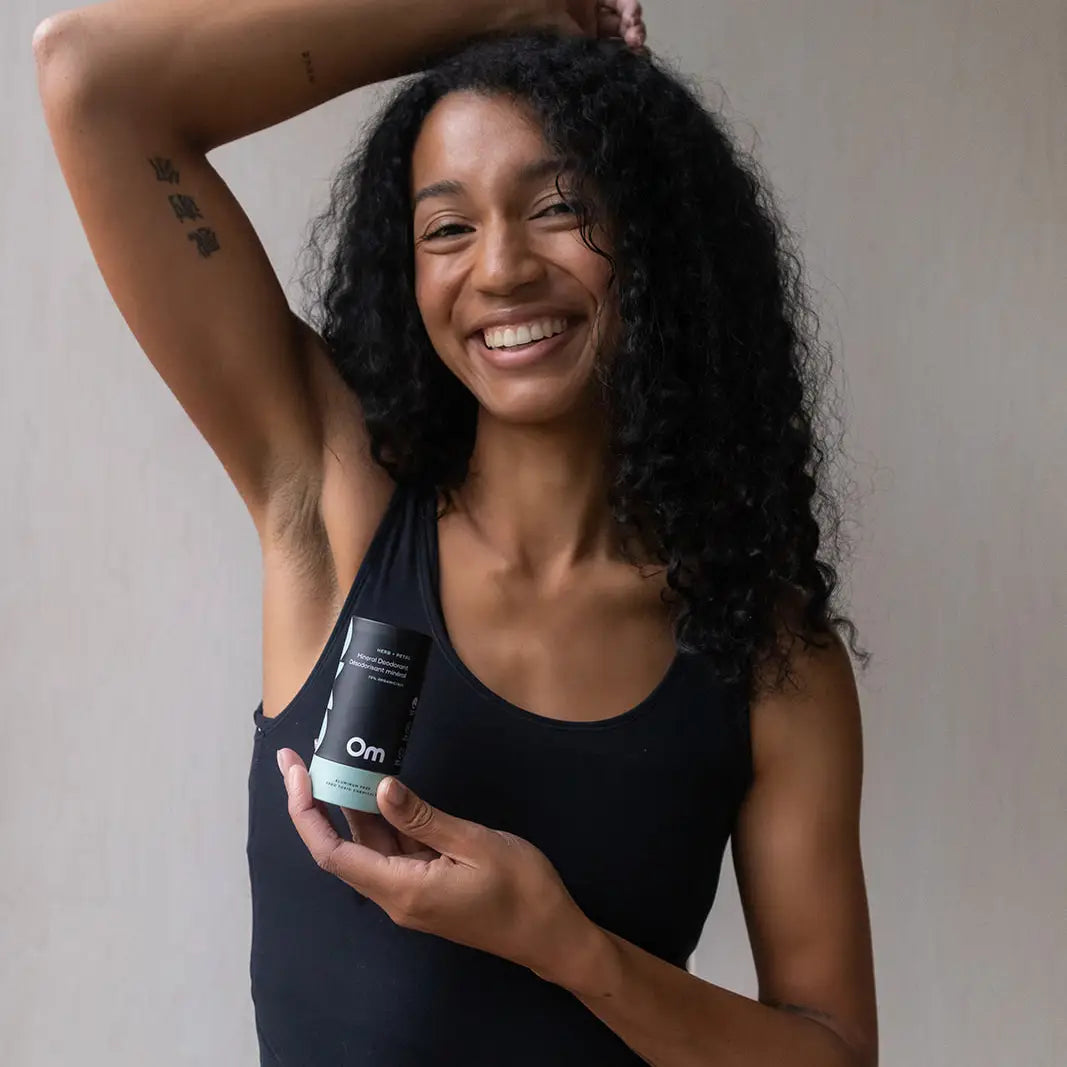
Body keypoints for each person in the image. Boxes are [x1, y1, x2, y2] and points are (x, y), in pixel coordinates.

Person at [34, 1, 878, 1064]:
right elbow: (89, 79)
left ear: (656, 237)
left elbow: (832, 1050)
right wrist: (505, 6)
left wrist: (565, 945)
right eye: (447, 227)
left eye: (558, 207)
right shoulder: (336, 504)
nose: (501, 267)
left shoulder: (765, 654)